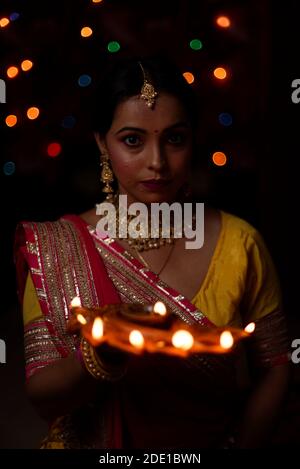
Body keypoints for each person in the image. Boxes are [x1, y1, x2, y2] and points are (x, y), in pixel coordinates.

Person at [14, 56, 290, 449]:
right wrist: (100, 356)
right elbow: (43, 394)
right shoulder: (58, 247)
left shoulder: (240, 243)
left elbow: (276, 367)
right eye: (132, 141)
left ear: (193, 139)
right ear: (101, 144)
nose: (157, 162)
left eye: (174, 139)